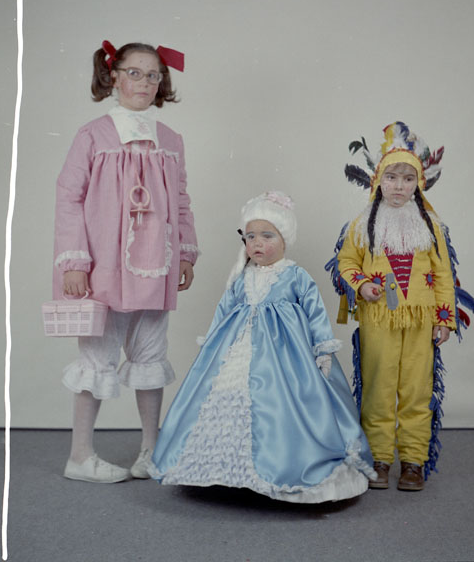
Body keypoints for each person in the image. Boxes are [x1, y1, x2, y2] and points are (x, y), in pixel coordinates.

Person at [150, 191, 376, 503]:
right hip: (237, 346)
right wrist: (211, 341)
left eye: (267, 236)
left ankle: (280, 464)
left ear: (284, 239)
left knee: (281, 404)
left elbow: (315, 311)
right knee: (225, 394)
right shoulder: (241, 277)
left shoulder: (294, 275)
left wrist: (323, 347)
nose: (257, 244)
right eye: (251, 237)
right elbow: (224, 308)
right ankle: (225, 466)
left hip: (286, 356)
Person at [53, 40, 199, 483]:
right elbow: (69, 197)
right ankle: (80, 455)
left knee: (151, 355)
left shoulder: (170, 140)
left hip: (156, 265)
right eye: (134, 73)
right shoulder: (93, 135)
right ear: (114, 76)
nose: (144, 82)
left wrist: (186, 251)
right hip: (105, 266)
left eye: (153, 75)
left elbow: (181, 199)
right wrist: (74, 261)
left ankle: (150, 451)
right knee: (96, 357)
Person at [327, 121, 474, 492]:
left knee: (417, 390)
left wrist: (444, 320)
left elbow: (444, 274)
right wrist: (362, 285)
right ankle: (378, 458)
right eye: (391, 177)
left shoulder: (431, 226)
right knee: (378, 387)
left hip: (421, 321)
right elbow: (346, 262)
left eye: (408, 179)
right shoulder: (362, 224)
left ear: (419, 183)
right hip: (379, 319)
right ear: (378, 180)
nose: (399, 186)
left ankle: (413, 461)